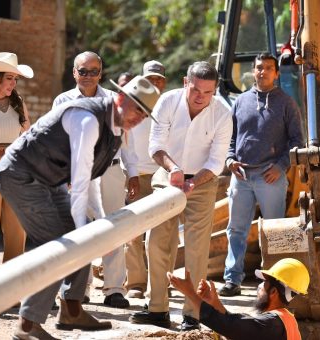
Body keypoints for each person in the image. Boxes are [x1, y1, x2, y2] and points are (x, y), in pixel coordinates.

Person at [0, 75, 160, 339]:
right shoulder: (88, 120)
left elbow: (92, 180)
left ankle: (71, 309)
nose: (139, 118)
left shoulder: (116, 132)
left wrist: (99, 228)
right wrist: (85, 234)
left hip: (48, 180)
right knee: (58, 245)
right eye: (136, 108)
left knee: (81, 237)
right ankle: (27, 325)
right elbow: (81, 182)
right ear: (120, 98)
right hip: (20, 175)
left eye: (145, 114)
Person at [129, 61, 232, 331]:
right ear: (186, 83)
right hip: (167, 174)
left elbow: (216, 162)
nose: (201, 97)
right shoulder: (167, 101)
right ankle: (157, 308)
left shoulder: (222, 113)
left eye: (208, 92)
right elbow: (156, 145)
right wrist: (173, 169)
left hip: (203, 180)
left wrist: (193, 182)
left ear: (215, 90)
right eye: (196, 89)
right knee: (157, 240)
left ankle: (193, 312)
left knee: (197, 248)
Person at [53, 51, 138, 309]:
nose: (88, 75)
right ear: (74, 73)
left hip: (110, 172)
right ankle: (81, 288)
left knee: (114, 229)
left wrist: (132, 173)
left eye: (93, 71)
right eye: (83, 71)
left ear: (101, 73)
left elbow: (127, 141)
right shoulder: (63, 100)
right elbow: (57, 140)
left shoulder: (115, 100)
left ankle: (114, 289)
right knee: (81, 231)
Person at [218, 53, 304, 297]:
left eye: (268, 68)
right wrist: (230, 159)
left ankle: (274, 281)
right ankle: (232, 279)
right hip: (242, 175)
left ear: (276, 73)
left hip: (271, 176)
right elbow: (231, 137)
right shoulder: (241, 101)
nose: (263, 72)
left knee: (274, 230)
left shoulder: (286, 103)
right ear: (253, 72)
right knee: (236, 229)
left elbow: (297, 140)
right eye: (259, 68)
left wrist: (281, 166)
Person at [125, 60, 177, 299]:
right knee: (132, 233)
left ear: (164, 82)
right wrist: (129, 173)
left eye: (159, 79)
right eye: (150, 78)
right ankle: (135, 283)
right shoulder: (131, 104)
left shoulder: (172, 107)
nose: (155, 82)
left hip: (163, 177)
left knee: (164, 235)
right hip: (136, 176)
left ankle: (161, 283)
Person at [168, 258, 310, 340]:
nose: (259, 286)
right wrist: (215, 303)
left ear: (273, 291)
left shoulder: (271, 324)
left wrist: (190, 293)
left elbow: (233, 327)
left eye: (264, 282)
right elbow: (240, 323)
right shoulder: (284, 320)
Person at [0, 52, 32, 271]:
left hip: (15, 168)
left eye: (15, 79)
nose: (13, 83)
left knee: (17, 229)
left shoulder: (18, 104)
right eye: (9, 78)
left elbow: (28, 138)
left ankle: (12, 289)